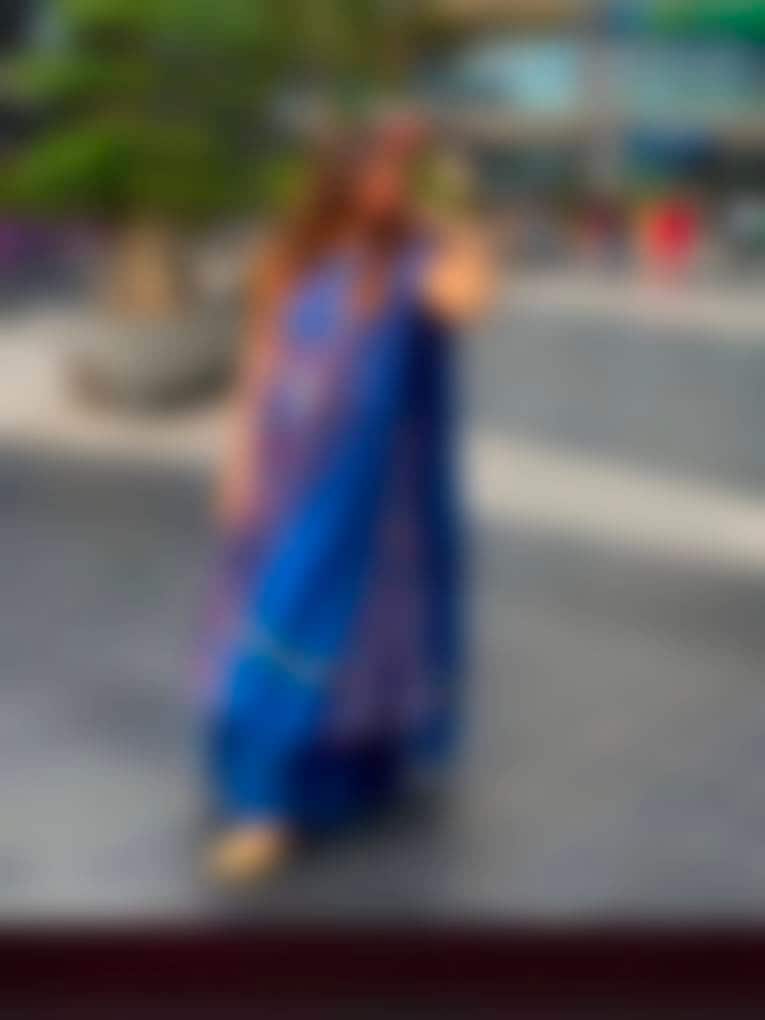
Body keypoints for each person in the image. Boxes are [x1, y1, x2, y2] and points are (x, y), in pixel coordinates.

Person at [203, 117, 493, 882]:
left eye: (398, 174)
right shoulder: (293, 256)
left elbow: (469, 300)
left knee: (327, 624)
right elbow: (260, 361)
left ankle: (267, 807)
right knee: (275, 621)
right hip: (283, 477)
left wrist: (448, 206)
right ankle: (265, 789)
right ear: (340, 177)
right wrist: (238, 462)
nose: (388, 186)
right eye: (377, 171)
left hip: (362, 493)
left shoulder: (413, 261)